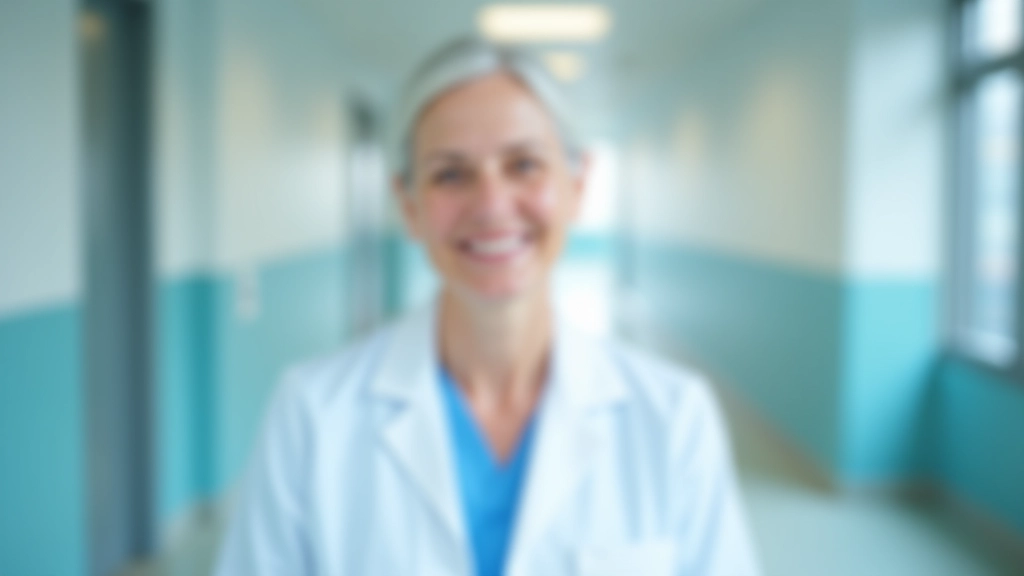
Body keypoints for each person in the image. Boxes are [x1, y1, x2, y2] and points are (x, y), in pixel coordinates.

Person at [215, 37, 760, 576]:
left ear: (578, 183)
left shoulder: (673, 418)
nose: (493, 206)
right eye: (450, 174)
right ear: (409, 205)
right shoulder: (311, 415)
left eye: (524, 164)